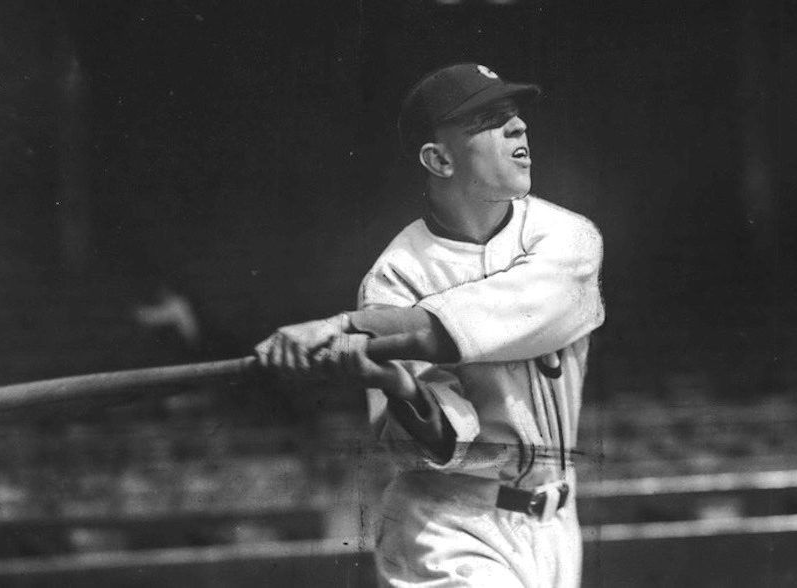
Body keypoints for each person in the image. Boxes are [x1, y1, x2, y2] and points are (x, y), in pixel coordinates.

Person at [255, 63, 604, 587]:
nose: (519, 128)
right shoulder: (396, 277)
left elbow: (490, 315)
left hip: (555, 527)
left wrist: (346, 326)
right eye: (489, 120)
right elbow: (436, 444)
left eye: (515, 115)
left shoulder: (568, 238)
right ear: (438, 159)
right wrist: (396, 384)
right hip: (449, 527)